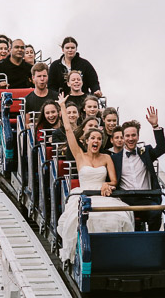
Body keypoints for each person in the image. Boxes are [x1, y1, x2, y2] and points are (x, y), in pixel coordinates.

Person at [55, 93, 133, 263]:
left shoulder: (106, 158)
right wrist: (62, 106)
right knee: (79, 217)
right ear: (86, 141)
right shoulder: (79, 156)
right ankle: (83, 253)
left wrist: (107, 185)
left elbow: (113, 180)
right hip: (84, 194)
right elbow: (68, 130)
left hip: (102, 194)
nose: (96, 141)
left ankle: (114, 252)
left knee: (119, 216)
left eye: (99, 138)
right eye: (93, 138)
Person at [113, 107, 165, 231]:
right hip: (125, 201)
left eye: (133, 135)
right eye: (127, 136)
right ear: (123, 137)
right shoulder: (115, 158)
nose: (130, 138)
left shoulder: (146, 152)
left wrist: (155, 126)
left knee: (156, 213)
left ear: (138, 136)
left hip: (147, 199)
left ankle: (152, 242)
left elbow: (161, 148)